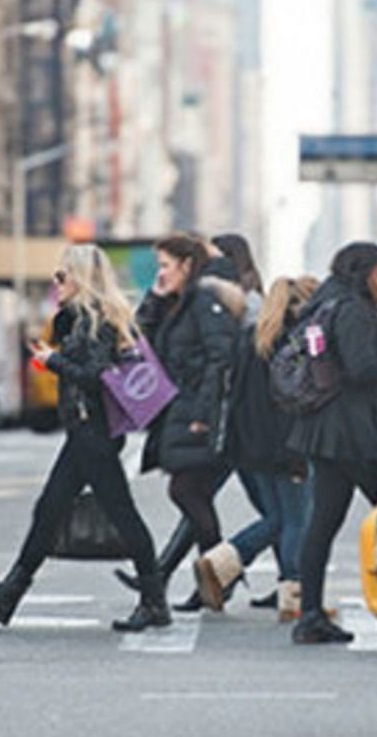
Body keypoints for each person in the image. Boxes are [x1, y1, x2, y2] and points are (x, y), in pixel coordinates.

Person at [0, 245, 169, 632]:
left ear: (81, 277)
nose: (56, 282)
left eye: (62, 275)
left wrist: (52, 361)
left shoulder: (97, 321)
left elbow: (95, 376)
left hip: (93, 432)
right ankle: (8, 594)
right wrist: (55, 350)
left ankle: (154, 601)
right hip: (82, 431)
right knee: (50, 509)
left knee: (122, 515)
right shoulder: (76, 319)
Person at [288, 242, 377, 644]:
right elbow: (363, 367)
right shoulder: (352, 310)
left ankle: (310, 614)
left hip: (326, 428)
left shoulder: (324, 303)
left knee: (323, 522)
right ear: (363, 274)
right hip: (353, 431)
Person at [195, 276, 318, 620]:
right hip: (287, 445)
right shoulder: (295, 342)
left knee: (278, 517)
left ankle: (223, 562)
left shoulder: (251, 339)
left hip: (252, 447)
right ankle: (293, 594)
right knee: (296, 520)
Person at [136, 234, 244, 593]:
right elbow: (139, 339)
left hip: (196, 412)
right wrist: (154, 299)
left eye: (166, 265)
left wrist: (203, 412)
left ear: (186, 265)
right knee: (190, 492)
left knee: (185, 491)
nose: (160, 273)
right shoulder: (175, 304)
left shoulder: (203, 302)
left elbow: (221, 357)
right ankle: (219, 576)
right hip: (177, 410)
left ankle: (220, 573)